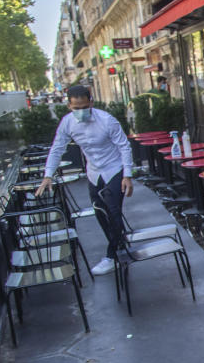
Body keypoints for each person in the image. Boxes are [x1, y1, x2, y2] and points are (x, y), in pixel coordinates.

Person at [36, 85, 134, 276]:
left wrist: (127, 176)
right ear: (69, 106)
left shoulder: (107, 120)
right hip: (93, 172)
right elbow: (57, 148)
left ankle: (111, 256)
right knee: (100, 213)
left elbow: (124, 147)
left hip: (114, 169)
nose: (80, 112)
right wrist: (48, 175)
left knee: (114, 212)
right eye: (76, 108)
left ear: (91, 102)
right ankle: (119, 243)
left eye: (83, 107)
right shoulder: (67, 123)